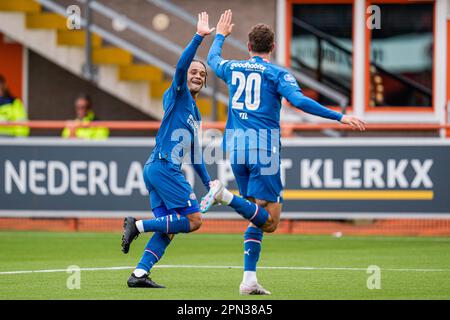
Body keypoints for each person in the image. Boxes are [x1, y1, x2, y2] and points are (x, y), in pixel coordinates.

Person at [202, 10, 366, 295]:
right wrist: (339, 117)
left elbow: (213, 60)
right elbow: (299, 101)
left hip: (235, 149)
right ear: (273, 47)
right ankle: (223, 195)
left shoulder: (234, 67)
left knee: (256, 213)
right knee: (272, 222)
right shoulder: (278, 73)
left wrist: (219, 36)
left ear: (249, 47)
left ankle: (249, 279)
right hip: (263, 149)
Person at [121, 12, 215, 288]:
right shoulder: (178, 93)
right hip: (163, 167)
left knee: (169, 228)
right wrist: (199, 37)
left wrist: (208, 183)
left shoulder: (195, 114)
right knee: (194, 220)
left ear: (205, 82)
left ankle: (139, 274)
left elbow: (196, 154)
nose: (197, 75)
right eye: (193, 72)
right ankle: (136, 225)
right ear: (185, 77)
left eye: (202, 74)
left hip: (155, 168)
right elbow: (180, 67)